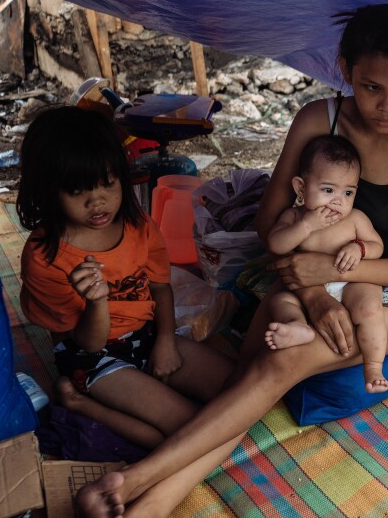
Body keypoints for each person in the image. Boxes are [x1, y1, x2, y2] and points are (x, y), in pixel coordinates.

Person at [77, 3, 388, 518]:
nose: (387, 106)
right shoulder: (317, 120)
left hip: (383, 294)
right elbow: (268, 221)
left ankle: (136, 483)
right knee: (248, 383)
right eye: (371, 87)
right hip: (298, 273)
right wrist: (315, 292)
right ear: (345, 70)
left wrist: (331, 276)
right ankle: (150, 499)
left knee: (274, 366)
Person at [17, 106, 233, 450]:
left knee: (235, 391)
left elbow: (160, 287)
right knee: (189, 427)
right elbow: (88, 343)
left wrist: (164, 341)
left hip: (145, 334)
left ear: (121, 174)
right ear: (48, 190)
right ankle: (80, 402)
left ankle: (119, 391)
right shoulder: (45, 256)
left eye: (108, 183)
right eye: (77, 192)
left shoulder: (138, 225)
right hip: (91, 356)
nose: (98, 201)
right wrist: (96, 302)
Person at [264, 134, 388, 393]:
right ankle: (298, 327)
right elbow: (275, 244)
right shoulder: (295, 216)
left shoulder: (355, 218)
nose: (338, 201)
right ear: (301, 189)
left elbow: (378, 246)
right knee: (280, 301)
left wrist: (359, 247)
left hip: (351, 282)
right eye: (328, 190)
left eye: (348, 192)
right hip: (310, 287)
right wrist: (306, 225)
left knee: (370, 309)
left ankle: (374, 365)